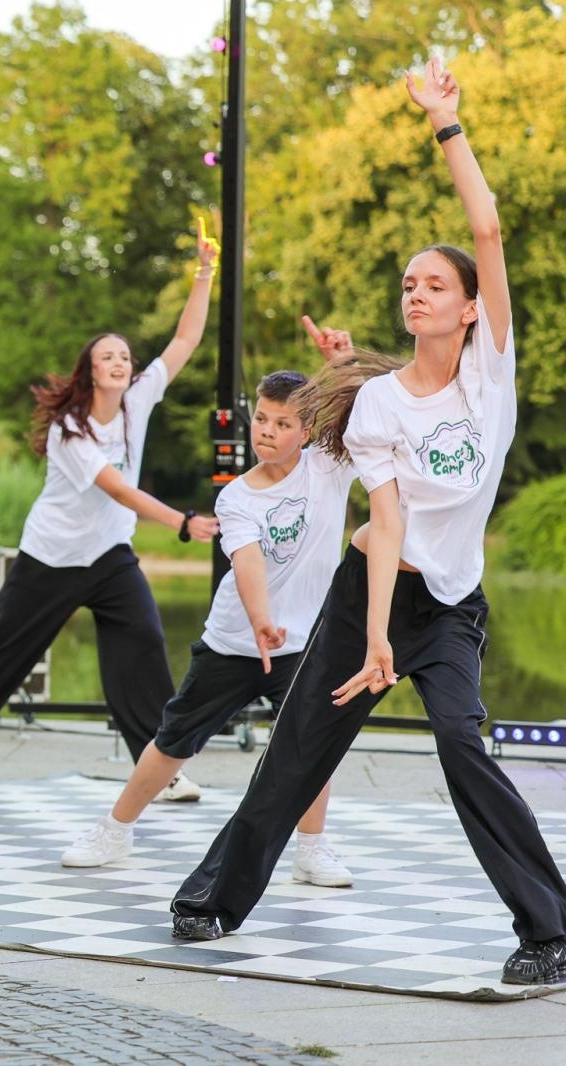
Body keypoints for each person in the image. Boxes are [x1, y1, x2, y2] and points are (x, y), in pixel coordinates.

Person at [171, 59, 566, 986]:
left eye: (434, 285)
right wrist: (376, 636)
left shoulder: (490, 374)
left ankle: (550, 931)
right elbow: (384, 522)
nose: (416, 293)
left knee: (466, 748)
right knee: (303, 741)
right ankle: (212, 900)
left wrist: (447, 125)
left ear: (469, 309)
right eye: (407, 284)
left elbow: (488, 228)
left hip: (453, 606)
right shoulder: (381, 403)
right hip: (372, 596)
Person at [0, 232, 222, 792]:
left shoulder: (138, 400)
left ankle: (162, 768)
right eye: (107, 356)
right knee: (3, 658)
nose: (119, 362)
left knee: (144, 649)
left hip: (108, 556)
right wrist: (180, 521)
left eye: (125, 356)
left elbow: (184, 338)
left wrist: (203, 272)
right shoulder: (70, 429)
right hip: (51, 558)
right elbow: (118, 490)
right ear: (89, 371)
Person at [62, 362, 354, 887]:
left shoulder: (330, 468)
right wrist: (262, 620)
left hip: (303, 643)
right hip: (235, 642)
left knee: (315, 742)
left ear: (306, 432)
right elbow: (246, 561)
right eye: (261, 419)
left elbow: (367, 409)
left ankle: (312, 849)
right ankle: (114, 830)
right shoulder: (236, 496)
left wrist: (342, 357)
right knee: (175, 740)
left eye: (283, 424)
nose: (267, 430)